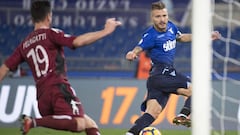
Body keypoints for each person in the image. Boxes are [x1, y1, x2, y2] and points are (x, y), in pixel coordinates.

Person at [0, 0, 121, 135]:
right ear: (49, 16)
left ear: (32, 18)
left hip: (42, 98)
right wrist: (106, 31)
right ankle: (33, 122)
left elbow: (4, 68)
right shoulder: (51, 34)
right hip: (58, 89)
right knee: (79, 123)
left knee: (89, 124)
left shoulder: (24, 45)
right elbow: (78, 41)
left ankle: (35, 121)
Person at [125, 1, 221, 135]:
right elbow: (138, 47)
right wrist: (132, 53)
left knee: (152, 113)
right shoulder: (150, 35)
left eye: (164, 15)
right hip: (162, 72)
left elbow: (181, 38)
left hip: (155, 79)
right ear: (152, 18)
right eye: (158, 16)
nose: (162, 19)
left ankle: (130, 133)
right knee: (197, 90)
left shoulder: (171, 27)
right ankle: (183, 115)